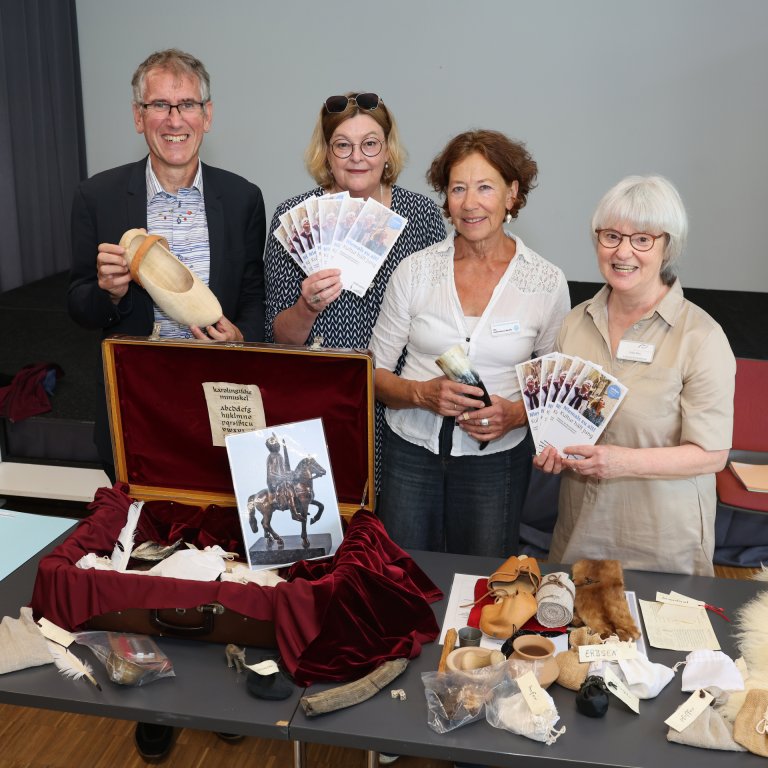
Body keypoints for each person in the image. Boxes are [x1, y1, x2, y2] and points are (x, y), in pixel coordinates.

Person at [66, 47, 266, 759]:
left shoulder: (241, 195)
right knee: (139, 552)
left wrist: (246, 332)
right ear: (138, 116)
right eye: (159, 105)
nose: (173, 119)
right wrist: (110, 290)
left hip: (217, 401)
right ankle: (150, 692)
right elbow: (80, 307)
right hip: (135, 404)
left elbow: (252, 297)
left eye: (186, 105)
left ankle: (222, 681)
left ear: (207, 116)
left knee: (221, 549)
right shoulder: (99, 196)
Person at [370, 130, 570, 557]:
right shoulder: (414, 271)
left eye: (485, 187)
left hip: (496, 462)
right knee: (401, 577)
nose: (470, 202)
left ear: (512, 194)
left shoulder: (546, 283)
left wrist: (515, 415)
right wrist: (420, 394)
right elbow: (372, 374)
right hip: (411, 454)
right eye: (458, 188)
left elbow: (554, 390)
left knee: (483, 584)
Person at [535, 175, 735, 576]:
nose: (623, 251)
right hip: (579, 539)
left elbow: (712, 455)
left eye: (642, 239)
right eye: (611, 236)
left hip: (664, 545)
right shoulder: (575, 324)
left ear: (667, 247)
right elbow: (559, 420)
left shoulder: (701, 337)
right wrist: (553, 451)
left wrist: (619, 462)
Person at [263, 92, 446, 504]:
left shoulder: (420, 217)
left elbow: (440, 316)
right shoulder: (293, 217)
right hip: (318, 403)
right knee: (322, 521)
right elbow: (279, 339)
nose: (357, 157)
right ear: (326, 154)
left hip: (398, 405)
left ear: (387, 150)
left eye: (370, 144)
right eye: (343, 145)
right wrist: (306, 306)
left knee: (391, 537)